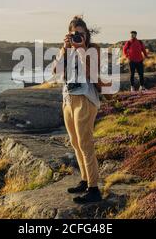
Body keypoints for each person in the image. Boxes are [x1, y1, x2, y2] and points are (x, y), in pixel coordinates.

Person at [53, 16, 103, 204]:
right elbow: (56, 72)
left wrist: (81, 50)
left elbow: (93, 74)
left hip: (85, 99)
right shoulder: (65, 50)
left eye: (81, 34)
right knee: (75, 142)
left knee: (85, 143)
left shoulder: (92, 49)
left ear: (86, 34)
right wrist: (64, 49)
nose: (77, 37)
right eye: (74, 34)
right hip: (67, 99)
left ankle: (94, 189)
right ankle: (84, 179)